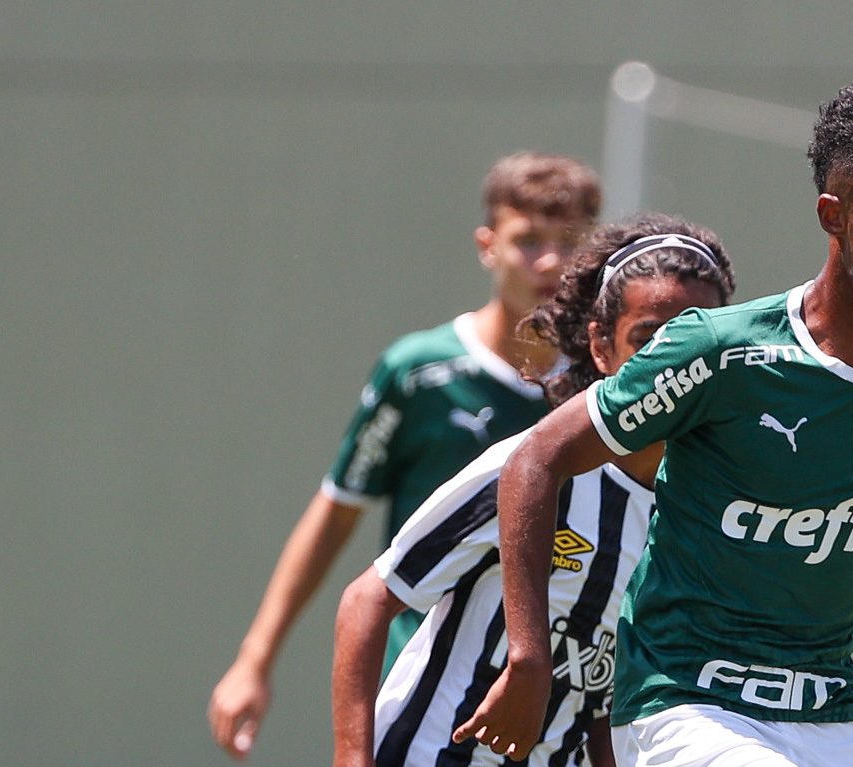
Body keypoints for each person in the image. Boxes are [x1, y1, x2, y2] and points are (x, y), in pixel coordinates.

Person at [454, 68, 853, 767]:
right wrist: (527, 658)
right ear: (835, 217)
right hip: (683, 703)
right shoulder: (719, 350)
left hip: (831, 711)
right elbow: (536, 458)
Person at [208, 151, 602, 761]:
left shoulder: (601, 390)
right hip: (422, 668)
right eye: (528, 240)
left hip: (552, 682)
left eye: (568, 241)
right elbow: (338, 509)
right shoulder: (420, 373)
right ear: (487, 244)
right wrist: (254, 658)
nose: (548, 261)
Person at [330, 213, 737, 767]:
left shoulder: (700, 511)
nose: (672, 364)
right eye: (647, 338)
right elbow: (367, 601)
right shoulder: (534, 471)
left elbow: (601, 693)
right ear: (601, 346)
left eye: (694, 340)